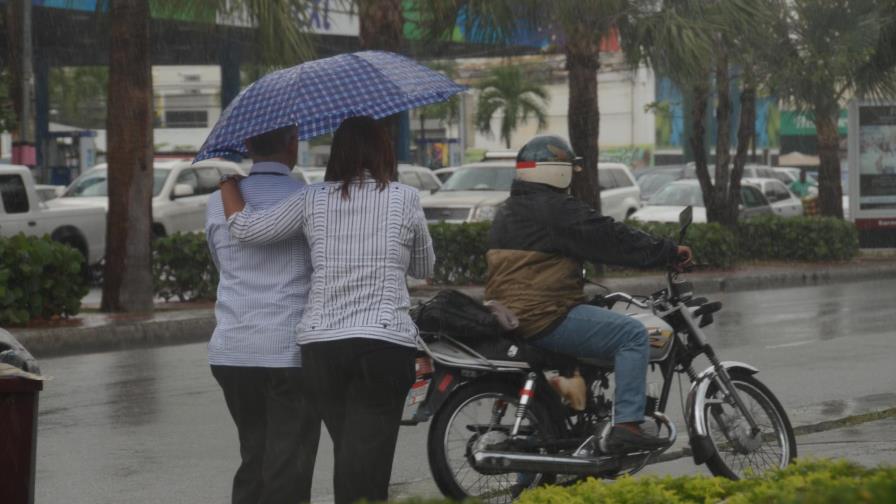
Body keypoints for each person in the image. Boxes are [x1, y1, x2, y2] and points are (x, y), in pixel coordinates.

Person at [219, 116, 435, 504]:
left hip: (322, 349)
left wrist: (228, 186)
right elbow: (424, 268)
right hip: (383, 344)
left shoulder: (313, 197)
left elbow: (248, 230)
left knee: (349, 454)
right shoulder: (405, 198)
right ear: (383, 152)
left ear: (338, 154)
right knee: (367, 462)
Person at [484, 135, 692, 454]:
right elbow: (611, 238)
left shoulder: (508, 210)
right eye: (569, 167)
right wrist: (665, 251)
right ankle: (627, 425)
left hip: (511, 315)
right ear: (555, 171)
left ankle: (564, 444)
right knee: (632, 335)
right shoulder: (555, 210)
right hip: (544, 315)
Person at [206, 125, 321, 504]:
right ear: (292, 144)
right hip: (288, 351)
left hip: (232, 350)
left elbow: (221, 263)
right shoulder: (308, 200)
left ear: (248, 145)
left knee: (254, 455)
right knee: (288, 464)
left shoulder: (217, 202)